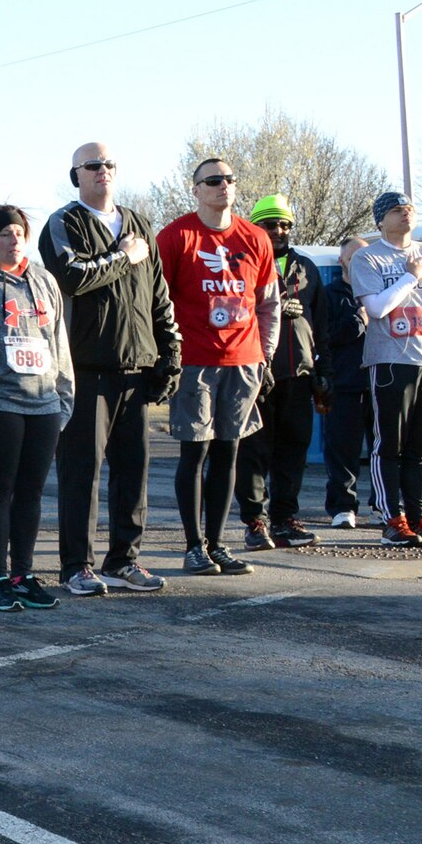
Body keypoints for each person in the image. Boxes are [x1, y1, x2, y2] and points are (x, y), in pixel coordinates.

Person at [39, 142, 181, 596]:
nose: (103, 171)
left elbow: (159, 293)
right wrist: (124, 256)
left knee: (132, 470)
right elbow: (73, 277)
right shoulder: (64, 222)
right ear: (76, 175)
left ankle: (124, 559)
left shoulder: (139, 224)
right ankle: (76, 565)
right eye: (93, 165)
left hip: (135, 368)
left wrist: (169, 350)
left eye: (109, 165)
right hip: (85, 368)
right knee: (81, 472)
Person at [156, 158, 278, 577]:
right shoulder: (177, 236)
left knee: (229, 452)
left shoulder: (256, 237)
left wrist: (265, 355)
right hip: (195, 361)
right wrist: (167, 358)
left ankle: (217, 543)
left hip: (243, 360)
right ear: (196, 189)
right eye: (213, 180)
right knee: (196, 452)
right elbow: (158, 302)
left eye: (229, 179)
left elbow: (268, 304)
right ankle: (193, 546)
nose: (223, 186)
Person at [346, 192, 422, 548]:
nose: (406, 214)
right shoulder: (368, 257)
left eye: (409, 208)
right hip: (391, 361)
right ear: (381, 220)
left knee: (421, 446)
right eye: (397, 210)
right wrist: (409, 277)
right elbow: (377, 308)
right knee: (389, 444)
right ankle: (390, 518)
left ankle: (418, 515)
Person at [0, 205, 70, 611]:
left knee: (31, 493)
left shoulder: (44, 279)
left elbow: (58, 338)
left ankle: (23, 573)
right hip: (0, 401)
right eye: (4, 234)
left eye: (18, 232)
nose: (14, 239)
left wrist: (64, 394)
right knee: (1, 490)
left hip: (44, 399)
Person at [233, 195, 324, 551]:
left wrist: (323, 373)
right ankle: (254, 521)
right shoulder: (242, 262)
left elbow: (323, 325)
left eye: (284, 224)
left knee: (293, 450)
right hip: (255, 371)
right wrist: (270, 306)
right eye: (270, 225)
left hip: (298, 373)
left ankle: (286, 519)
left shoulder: (306, 268)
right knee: (254, 451)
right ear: (256, 227)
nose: (278, 231)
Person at [321, 236, 373, 527]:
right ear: (342, 261)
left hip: (380, 384)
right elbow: (323, 337)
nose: (361, 263)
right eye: (355, 258)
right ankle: (343, 508)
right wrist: (358, 321)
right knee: (342, 452)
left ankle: (383, 506)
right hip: (344, 385)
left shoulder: (382, 294)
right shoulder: (329, 295)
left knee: (384, 450)